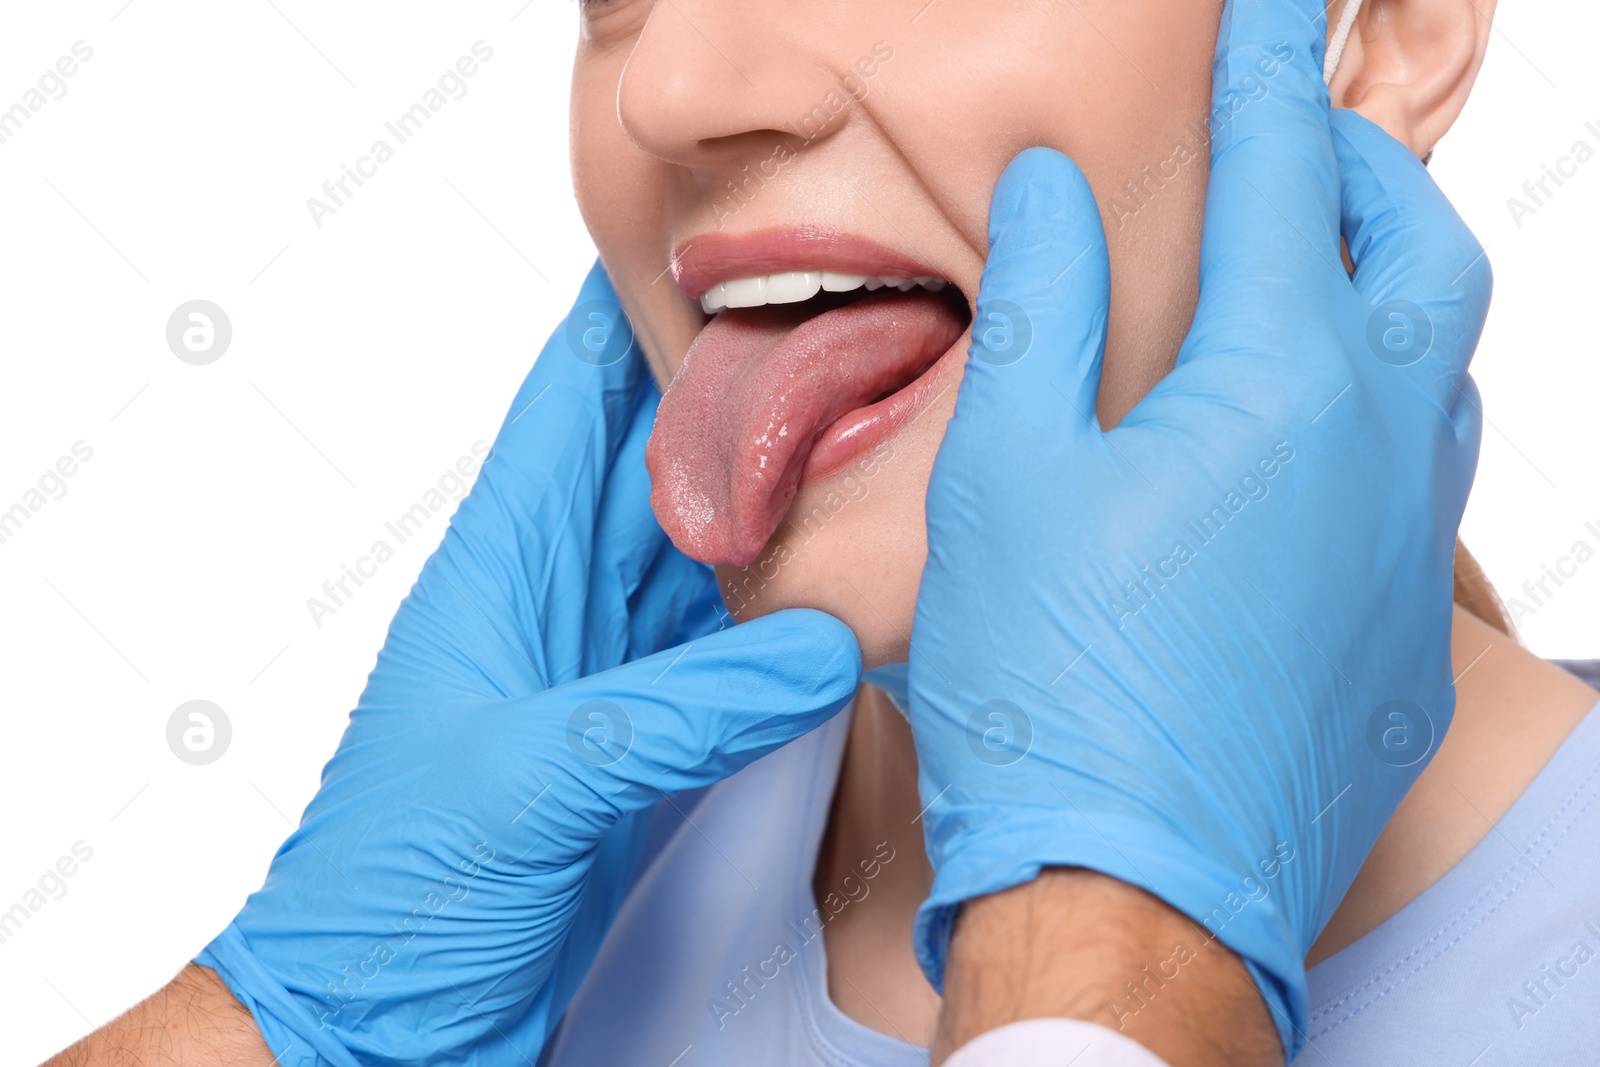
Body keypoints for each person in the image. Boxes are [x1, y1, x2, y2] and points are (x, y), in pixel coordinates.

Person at [41, 1, 1599, 1066]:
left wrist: (1121, 939)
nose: (677, 86)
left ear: (1381, 33)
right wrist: (279, 1028)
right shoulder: (562, 895)